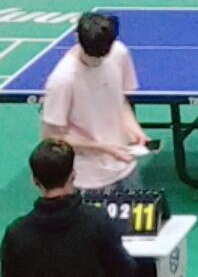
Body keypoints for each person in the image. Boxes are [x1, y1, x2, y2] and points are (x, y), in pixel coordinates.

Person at [40, 12, 149, 191]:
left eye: (103, 55)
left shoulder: (119, 53)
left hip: (126, 167)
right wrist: (102, 148)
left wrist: (135, 130)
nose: (96, 61)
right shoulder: (63, 80)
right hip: (87, 179)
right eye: (91, 55)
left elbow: (120, 101)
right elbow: (51, 137)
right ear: (77, 38)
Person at [0, 140, 135, 277]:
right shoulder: (98, 223)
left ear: (34, 180)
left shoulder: (16, 235)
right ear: (73, 175)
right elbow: (124, 271)